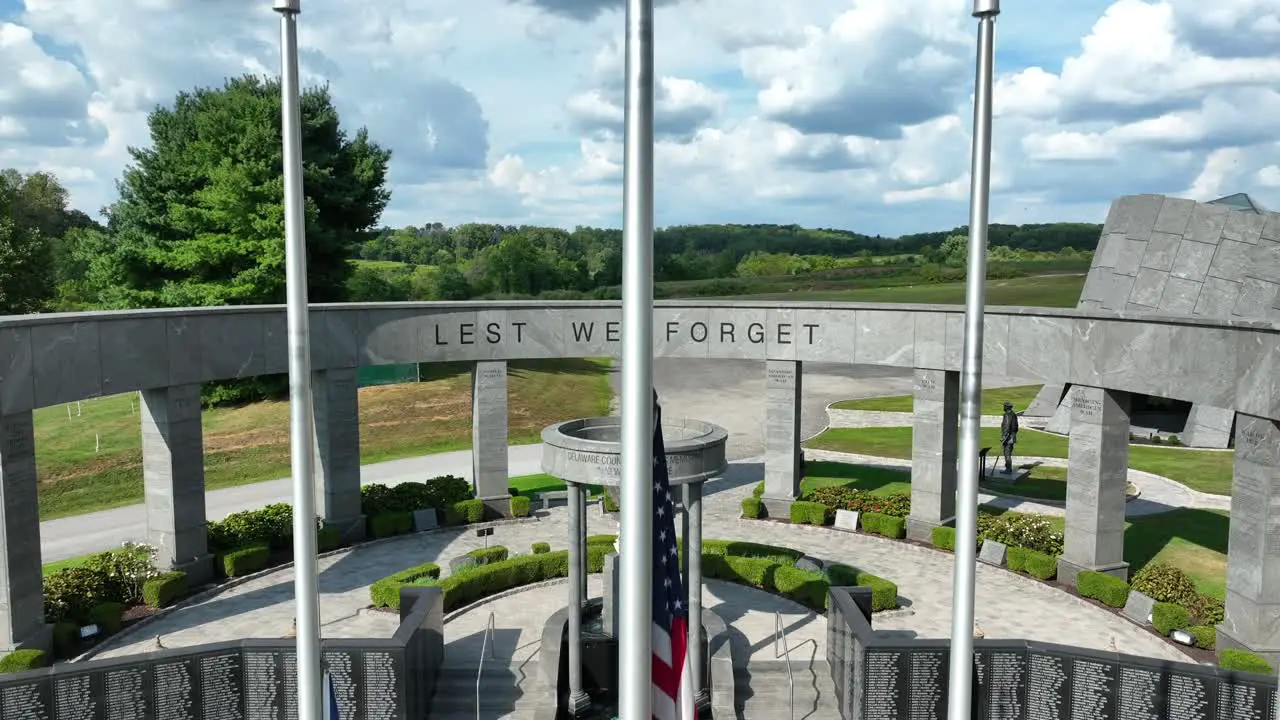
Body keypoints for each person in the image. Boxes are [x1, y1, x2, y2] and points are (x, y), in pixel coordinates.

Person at [1000, 401, 1019, 473]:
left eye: (1004, 406)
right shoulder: (1014, 414)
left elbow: (1007, 426)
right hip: (1012, 436)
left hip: (1008, 437)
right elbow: (1016, 427)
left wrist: (1004, 437)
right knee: (1008, 453)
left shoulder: (1007, 415)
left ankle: (1008, 469)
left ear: (1006, 407)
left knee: (1007, 453)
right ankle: (1008, 467)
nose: (1003, 407)